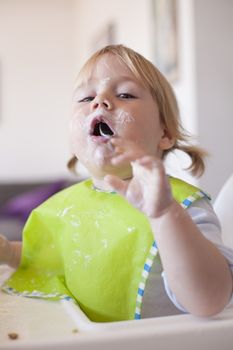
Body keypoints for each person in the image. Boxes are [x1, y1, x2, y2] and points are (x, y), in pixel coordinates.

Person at [0, 44, 233, 322]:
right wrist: (9, 252)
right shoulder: (65, 206)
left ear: (165, 133)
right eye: (86, 98)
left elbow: (210, 299)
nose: (99, 101)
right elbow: (55, 257)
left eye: (125, 94)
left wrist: (164, 214)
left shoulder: (181, 207)